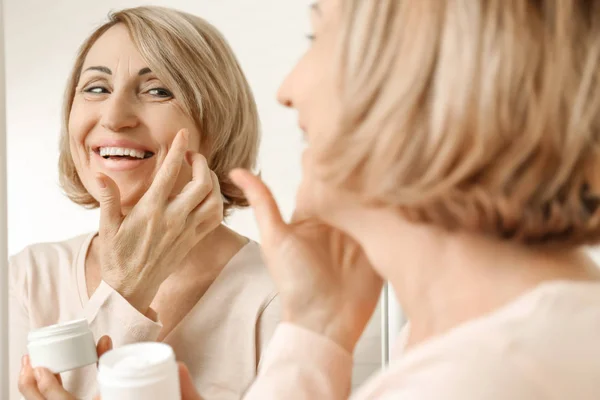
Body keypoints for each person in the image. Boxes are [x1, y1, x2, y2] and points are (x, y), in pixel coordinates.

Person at [20, 0, 600, 399]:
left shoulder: (484, 377)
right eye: (95, 87)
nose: (287, 89)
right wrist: (316, 330)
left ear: (418, 83)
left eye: (318, 37)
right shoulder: (481, 351)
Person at [11, 6, 280, 400]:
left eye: (158, 90)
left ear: (218, 124)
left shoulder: (279, 295)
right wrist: (127, 288)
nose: (115, 117)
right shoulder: (24, 280)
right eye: (96, 88)